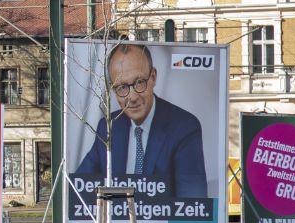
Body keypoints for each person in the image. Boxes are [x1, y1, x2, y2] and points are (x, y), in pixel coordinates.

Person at [76, 43, 208, 198]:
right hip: (116, 221)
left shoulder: (184, 127)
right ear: (113, 90)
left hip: (163, 221)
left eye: (139, 82)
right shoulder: (108, 127)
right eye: (122, 87)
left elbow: (193, 201)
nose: (132, 97)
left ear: (153, 78)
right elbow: (80, 188)